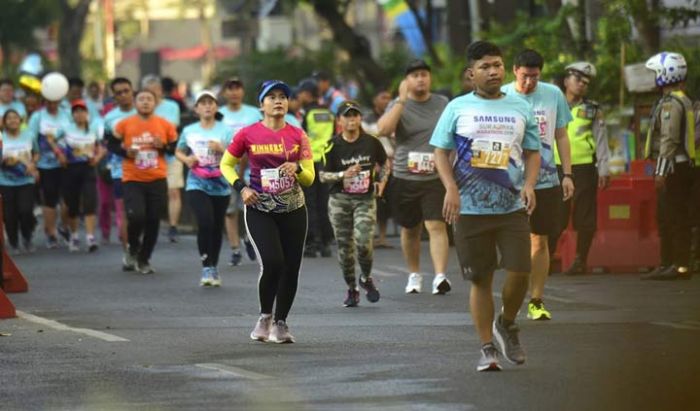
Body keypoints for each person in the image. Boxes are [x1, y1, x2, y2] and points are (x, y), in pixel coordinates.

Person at [431, 41, 541, 371]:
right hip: (469, 210)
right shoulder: (456, 108)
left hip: (511, 207)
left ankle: (506, 322)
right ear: (470, 74)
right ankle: (487, 347)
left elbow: (533, 151)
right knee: (480, 279)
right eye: (485, 67)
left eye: (497, 65)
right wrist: (450, 188)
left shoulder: (520, 107)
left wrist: (531, 185)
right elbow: (440, 151)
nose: (493, 71)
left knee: (521, 271)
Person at [220, 80, 314, 344]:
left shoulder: (298, 135)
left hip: (293, 207)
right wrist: (242, 187)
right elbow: (226, 164)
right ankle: (265, 316)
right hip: (260, 206)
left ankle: (281, 323)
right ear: (261, 105)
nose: (278, 101)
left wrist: (297, 170)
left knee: (291, 268)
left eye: (283, 96)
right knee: (273, 262)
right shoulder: (247, 134)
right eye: (271, 97)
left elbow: (310, 178)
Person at [501, 49, 574, 321]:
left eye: (534, 77)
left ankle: (536, 300)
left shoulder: (553, 94)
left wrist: (567, 174)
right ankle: (512, 297)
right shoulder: (503, 95)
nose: (529, 82)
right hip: (510, 182)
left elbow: (562, 136)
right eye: (524, 76)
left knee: (540, 239)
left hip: (546, 180)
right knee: (516, 240)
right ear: (514, 70)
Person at [377, 59, 452, 295]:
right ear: (406, 81)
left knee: (436, 225)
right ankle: (414, 274)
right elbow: (383, 130)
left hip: (434, 175)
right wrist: (400, 100)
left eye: (424, 74)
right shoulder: (398, 104)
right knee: (410, 229)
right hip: (404, 176)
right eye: (415, 75)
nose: (420, 79)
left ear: (430, 78)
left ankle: (440, 276)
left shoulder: (442, 103)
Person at [320, 100, 388, 307]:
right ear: (340, 120)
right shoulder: (332, 145)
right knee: (345, 248)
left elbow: (384, 164)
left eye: (355, 115)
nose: (352, 119)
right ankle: (352, 288)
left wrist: (380, 183)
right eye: (347, 116)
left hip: (364, 199)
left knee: (363, 242)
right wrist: (343, 174)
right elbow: (322, 176)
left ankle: (366, 278)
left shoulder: (371, 142)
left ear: (360, 118)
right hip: (340, 199)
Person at [109, 89, 178, 274]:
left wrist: (162, 146)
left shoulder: (165, 124)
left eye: (149, 99)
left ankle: (144, 258)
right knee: (136, 216)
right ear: (135, 102)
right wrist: (125, 152)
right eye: (141, 99)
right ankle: (132, 248)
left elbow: (175, 147)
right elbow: (110, 143)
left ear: (155, 103)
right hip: (133, 178)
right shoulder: (125, 124)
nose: (145, 102)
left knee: (153, 220)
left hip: (157, 178)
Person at [551, 62, 610, 275]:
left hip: (585, 169)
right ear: (566, 81)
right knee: (556, 216)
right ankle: (546, 259)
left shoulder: (592, 110)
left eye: (586, 82)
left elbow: (601, 140)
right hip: (556, 168)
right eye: (578, 80)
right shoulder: (553, 106)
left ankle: (580, 260)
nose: (582, 85)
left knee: (585, 217)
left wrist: (604, 169)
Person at [641, 52, 695, 280]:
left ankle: (679, 265)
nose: (653, 77)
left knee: (676, 217)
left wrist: (661, 171)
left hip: (674, 167)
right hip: (676, 166)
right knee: (666, 216)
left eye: (655, 73)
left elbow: (669, 140)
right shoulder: (674, 99)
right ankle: (668, 262)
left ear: (666, 73)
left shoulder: (672, 104)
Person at [176, 90, 231, 287]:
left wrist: (222, 149)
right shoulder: (189, 130)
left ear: (216, 107)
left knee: (216, 226)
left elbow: (238, 155)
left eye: (211, 102)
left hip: (221, 184)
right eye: (203, 103)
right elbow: (179, 150)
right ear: (196, 108)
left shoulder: (226, 130)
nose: (207, 106)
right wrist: (187, 159)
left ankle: (213, 267)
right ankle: (206, 265)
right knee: (205, 222)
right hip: (196, 182)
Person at [218, 77, 262, 266]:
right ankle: (235, 249)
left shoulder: (253, 113)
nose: (234, 92)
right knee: (230, 210)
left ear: (243, 91)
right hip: (229, 167)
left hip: (253, 167)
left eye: (237, 88)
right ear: (225, 92)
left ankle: (248, 238)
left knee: (253, 208)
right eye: (230, 88)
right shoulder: (219, 114)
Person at [28, 85, 72, 248]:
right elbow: (31, 140)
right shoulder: (37, 117)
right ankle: (51, 233)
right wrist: (34, 161)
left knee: (68, 199)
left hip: (67, 163)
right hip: (46, 165)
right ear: (44, 101)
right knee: (49, 199)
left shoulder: (67, 114)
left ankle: (64, 227)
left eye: (55, 102)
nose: (52, 105)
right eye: (48, 102)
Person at [141, 75, 182, 243]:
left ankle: (173, 227)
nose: (153, 94)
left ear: (160, 90)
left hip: (171, 153)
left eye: (155, 90)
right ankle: (151, 225)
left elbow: (172, 127)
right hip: (149, 156)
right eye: (148, 91)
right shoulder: (141, 107)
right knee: (152, 194)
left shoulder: (171, 106)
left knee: (173, 190)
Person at [59, 99, 104, 252]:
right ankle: (74, 235)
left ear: (87, 113)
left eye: (82, 111)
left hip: (88, 168)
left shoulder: (93, 129)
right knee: (73, 205)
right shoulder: (66, 129)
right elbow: (52, 142)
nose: (79, 114)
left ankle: (90, 237)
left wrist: (97, 158)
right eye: (76, 111)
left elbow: (102, 146)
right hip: (70, 169)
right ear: (72, 115)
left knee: (90, 202)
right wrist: (60, 156)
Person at [298, 78, 335, 258]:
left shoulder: (308, 114)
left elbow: (302, 138)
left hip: (311, 162)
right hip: (327, 162)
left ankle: (313, 242)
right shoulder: (329, 113)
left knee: (310, 203)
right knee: (324, 202)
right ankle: (326, 242)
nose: (299, 96)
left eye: (301, 93)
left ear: (307, 94)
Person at [103, 77, 137, 256]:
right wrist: (124, 151)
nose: (123, 95)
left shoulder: (144, 112)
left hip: (146, 170)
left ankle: (140, 249)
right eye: (119, 93)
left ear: (133, 91)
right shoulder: (109, 118)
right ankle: (129, 253)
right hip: (120, 171)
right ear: (114, 97)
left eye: (126, 91)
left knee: (142, 214)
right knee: (123, 212)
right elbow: (108, 144)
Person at [0, 109, 39, 254]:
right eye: (9, 118)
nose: (12, 121)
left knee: (26, 211)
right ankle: (13, 242)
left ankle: (27, 237)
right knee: (9, 215)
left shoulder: (29, 135)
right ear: (4, 122)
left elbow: (36, 153)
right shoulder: (1, 138)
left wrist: (33, 165)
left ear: (20, 121)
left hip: (26, 181)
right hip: (5, 182)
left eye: (15, 118)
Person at [362, 89, 394, 248]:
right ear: (375, 100)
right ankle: (369, 237)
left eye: (389, 97)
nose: (387, 100)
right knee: (371, 200)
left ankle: (382, 237)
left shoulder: (394, 117)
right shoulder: (366, 119)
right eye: (383, 96)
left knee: (386, 202)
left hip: (392, 163)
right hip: (373, 163)